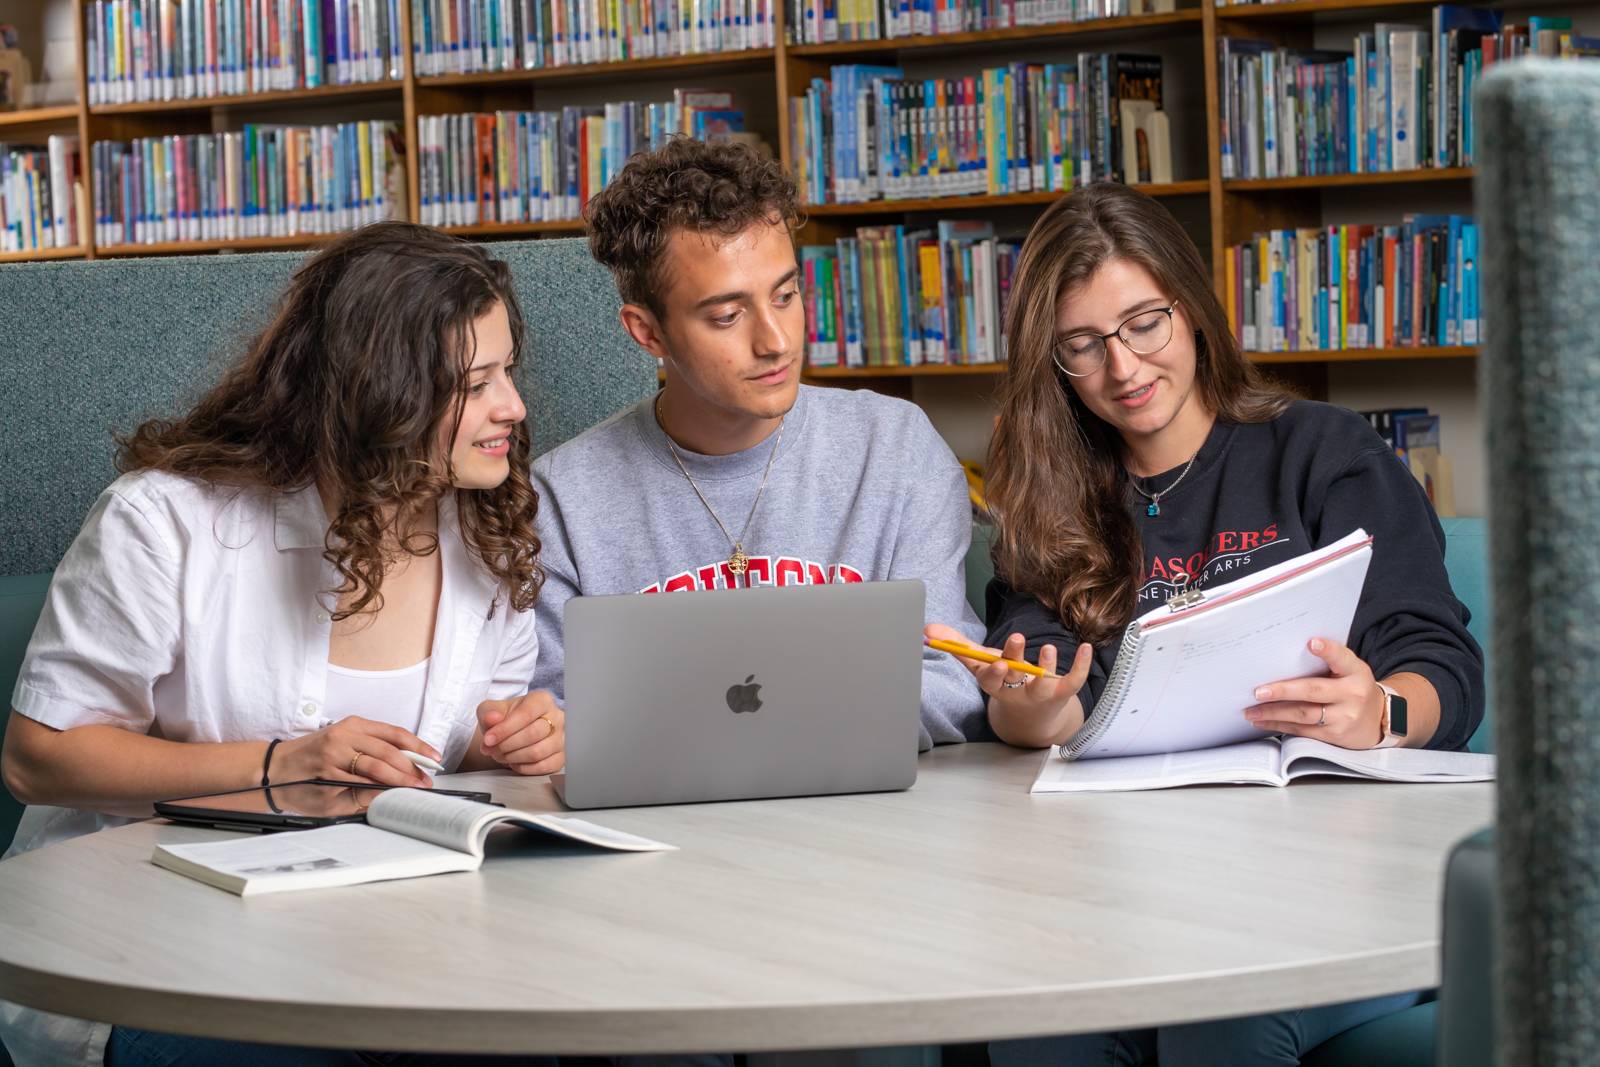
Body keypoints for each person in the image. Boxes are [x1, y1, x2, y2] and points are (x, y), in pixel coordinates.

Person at [926, 183, 1484, 1066]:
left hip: (1332, 883)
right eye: (1083, 345)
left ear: (1190, 309)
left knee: (1219, 1015)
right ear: (1054, 361)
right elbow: (1046, 686)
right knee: (1039, 1023)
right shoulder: (1051, 499)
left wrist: (1377, 709)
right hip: (1122, 884)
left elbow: (1441, 666)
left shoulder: (1326, 453)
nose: (1123, 367)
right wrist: (1031, 710)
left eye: (1144, 323)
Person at [0, 223, 564, 1067]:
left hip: (402, 944)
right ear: (382, 392)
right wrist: (280, 764)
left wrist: (503, 743)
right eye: (477, 381)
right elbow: (38, 760)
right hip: (155, 945)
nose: (513, 407)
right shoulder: (165, 521)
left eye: (508, 370)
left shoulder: (490, 535)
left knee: (527, 1048)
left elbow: (451, 764)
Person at [530, 137, 986, 751]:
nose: (775, 341)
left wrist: (712, 730)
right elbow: (552, 717)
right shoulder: (562, 497)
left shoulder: (897, 448)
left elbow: (952, 683)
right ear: (647, 331)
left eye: (786, 296)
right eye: (726, 316)